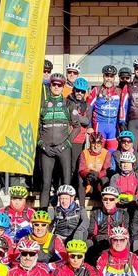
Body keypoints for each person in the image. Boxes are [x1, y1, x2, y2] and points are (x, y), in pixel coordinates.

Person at [36, 72, 73, 206]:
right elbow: (35, 128)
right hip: (47, 149)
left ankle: (66, 213)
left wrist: (67, 143)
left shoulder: (68, 104)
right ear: (50, 85)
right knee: (46, 183)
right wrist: (42, 144)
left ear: (63, 87)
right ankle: (43, 213)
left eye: (59, 85)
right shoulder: (42, 104)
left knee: (66, 183)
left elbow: (77, 127)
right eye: (54, 84)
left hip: (63, 148)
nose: (56, 87)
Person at [66, 78, 93, 193]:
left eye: (82, 91)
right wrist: (78, 118)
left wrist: (74, 116)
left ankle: (74, 190)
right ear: (74, 90)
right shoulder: (66, 102)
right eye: (77, 90)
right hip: (65, 138)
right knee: (64, 166)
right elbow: (65, 117)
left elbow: (87, 121)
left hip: (79, 140)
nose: (79, 93)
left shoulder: (87, 106)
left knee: (75, 166)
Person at [92, 65, 123, 149]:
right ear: (103, 76)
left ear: (114, 78)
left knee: (112, 152)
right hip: (99, 126)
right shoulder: (96, 90)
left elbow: (123, 108)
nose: (109, 78)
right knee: (98, 152)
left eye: (111, 76)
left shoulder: (119, 91)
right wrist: (89, 127)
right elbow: (88, 109)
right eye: (107, 76)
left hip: (113, 127)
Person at [79, 131, 112, 200]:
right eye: (93, 143)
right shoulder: (84, 153)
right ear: (90, 144)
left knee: (105, 179)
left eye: (98, 144)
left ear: (102, 144)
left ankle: (104, 201)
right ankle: (81, 204)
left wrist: (97, 175)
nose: (96, 146)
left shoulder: (106, 153)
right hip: (89, 181)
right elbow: (81, 169)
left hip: (99, 182)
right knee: (79, 178)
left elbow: (106, 169)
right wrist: (87, 174)